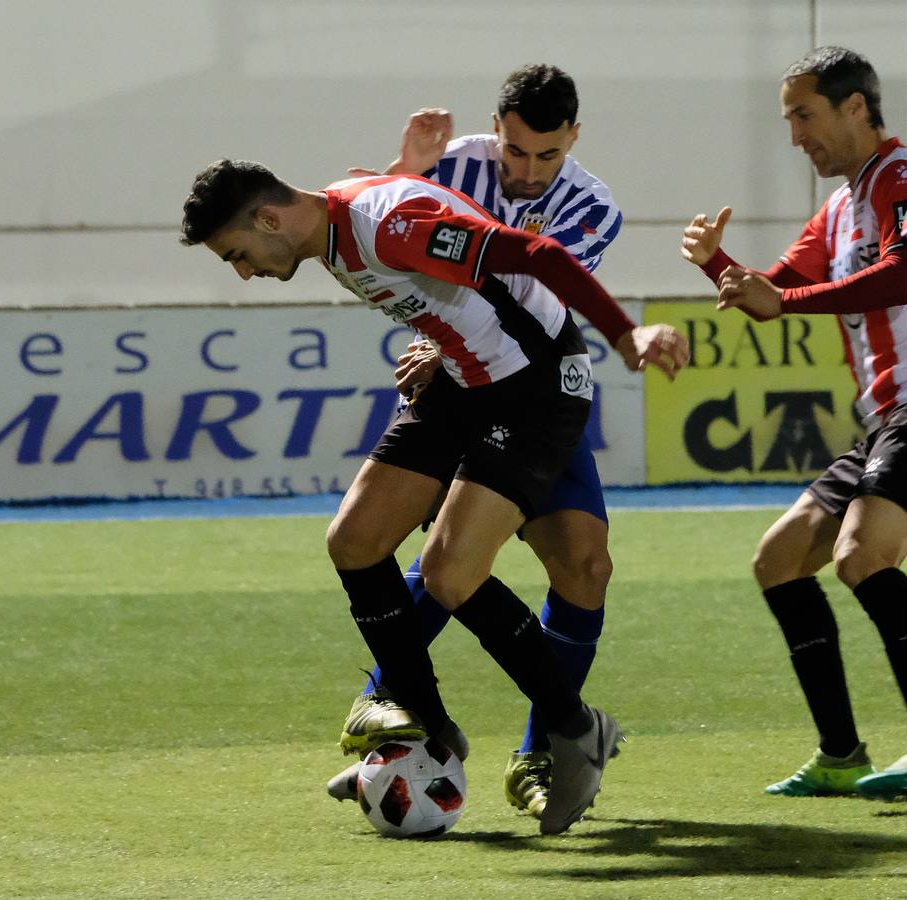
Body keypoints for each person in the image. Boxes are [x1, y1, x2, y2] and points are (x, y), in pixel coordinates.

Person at [179, 159, 689, 835]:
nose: (244, 272)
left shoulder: (385, 228)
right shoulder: (339, 220)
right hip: (461, 379)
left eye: (238, 255)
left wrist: (628, 335)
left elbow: (535, 251)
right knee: (354, 540)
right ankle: (431, 727)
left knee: (455, 574)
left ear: (269, 218)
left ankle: (575, 729)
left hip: (533, 385)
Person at [681, 46, 907, 801]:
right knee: (779, 558)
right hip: (883, 418)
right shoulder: (843, 204)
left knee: (861, 556)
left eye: (804, 116)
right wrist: (718, 267)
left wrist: (777, 300)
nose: (795, 137)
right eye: (788, 120)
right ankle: (841, 753)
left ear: (856, 107)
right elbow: (774, 286)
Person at [332, 64, 626, 820]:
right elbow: (363, 224)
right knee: (448, 561)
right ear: (496, 129)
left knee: (584, 567)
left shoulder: (593, 207)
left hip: (530, 390)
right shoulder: (450, 161)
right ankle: (393, 722)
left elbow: (540, 298)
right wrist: (404, 167)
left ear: (574, 140)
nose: (528, 174)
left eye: (547, 157)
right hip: (457, 392)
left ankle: (535, 755)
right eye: (516, 152)